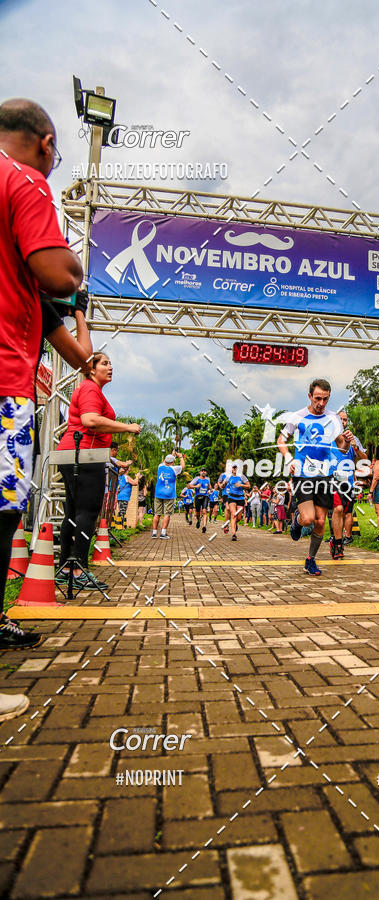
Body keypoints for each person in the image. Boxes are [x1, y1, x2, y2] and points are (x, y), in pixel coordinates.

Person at [0, 98, 83, 700]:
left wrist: (76, 342)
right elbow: (58, 276)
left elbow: (55, 321)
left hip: (20, 365)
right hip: (4, 381)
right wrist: (75, 268)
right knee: (4, 507)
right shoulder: (24, 180)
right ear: (46, 142)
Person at [55, 352, 141, 588]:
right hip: (84, 454)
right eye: (104, 363)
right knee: (87, 513)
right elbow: (91, 419)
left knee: (73, 513)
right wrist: (127, 427)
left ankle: (66, 567)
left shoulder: (89, 389)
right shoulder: (90, 389)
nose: (110, 367)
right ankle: (78, 570)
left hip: (74, 453)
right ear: (91, 369)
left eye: (111, 362)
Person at [277, 378, 348, 576]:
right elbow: (281, 440)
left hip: (325, 476)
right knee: (308, 519)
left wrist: (348, 443)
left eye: (325, 399)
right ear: (310, 396)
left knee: (319, 522)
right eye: (317, 398)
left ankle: (311, 560)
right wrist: (289, 458)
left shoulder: (333, 419)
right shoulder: (297, 417)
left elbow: (342, 448)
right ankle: (297, 522)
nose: (321, 403)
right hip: (302, 474)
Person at [329, 410, 368, 557]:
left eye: (345, 420)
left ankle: (344, 538)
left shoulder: (354, 439)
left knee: (347, 511)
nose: (343, 422)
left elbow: (365, 459)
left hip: (349, 482)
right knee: (337, 509)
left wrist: (355, 447)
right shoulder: (329, 437)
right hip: (332, 480)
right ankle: (337, 542)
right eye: (340, 420)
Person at [152, 452, 185, 539]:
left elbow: (164, 461)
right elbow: (183, 466)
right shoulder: (174, 469)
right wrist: (180, 457)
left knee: (157, 514)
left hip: (158, 493)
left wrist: (172, 455)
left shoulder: (160, 467)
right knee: (167, 514)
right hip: (169, 494)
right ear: (173, 462)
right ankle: (163, 533)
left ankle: (154, 533)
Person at [225, 464, 249, 541]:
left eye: (236, 468)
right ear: (231, 469)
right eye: (233, 467)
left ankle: (235, 523)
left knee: (238, 517)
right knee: (233, 514)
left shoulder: (242, 476)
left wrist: (241, 485)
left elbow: (248, 486)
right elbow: (223, 485)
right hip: (231, 497)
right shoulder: (229, 477)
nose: (234, 469)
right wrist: (222, 485)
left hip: (240, 498)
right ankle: (234, 534)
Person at [188, 467, 211, 532]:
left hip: (205, 497)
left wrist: (210, 489)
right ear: (200, 472)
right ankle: (198, 520)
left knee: (204, 511)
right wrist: (196, 486)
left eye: (204, 471)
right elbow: (189, 486)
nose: (203, 472)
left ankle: (204, 526)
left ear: (206, 472)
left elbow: (209, 486)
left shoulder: (208, 479)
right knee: (197, 513)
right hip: (198, 497)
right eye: (202, 471)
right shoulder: (196, 479)